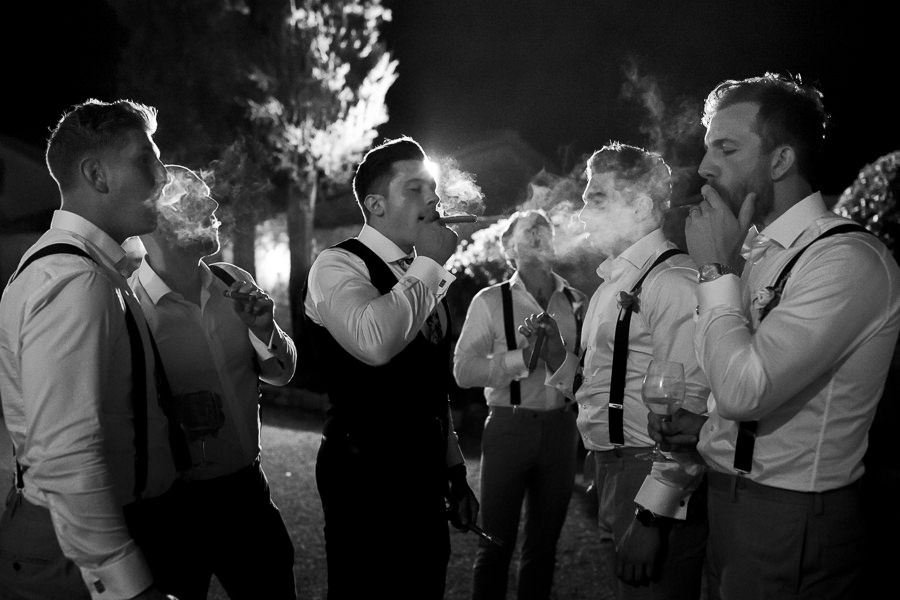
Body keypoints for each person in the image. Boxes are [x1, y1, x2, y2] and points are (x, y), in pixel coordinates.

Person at [651, 72, 900, 599]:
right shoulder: (758, 250)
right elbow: (737, 383)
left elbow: (748, 391)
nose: (704, 166)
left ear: (781, 161)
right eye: (706, 146)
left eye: (726, 148)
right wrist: (705, 422)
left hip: (792, 512)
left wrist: (715, 270)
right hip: (729, 498)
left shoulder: (846, 259)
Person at [0, 99, 191, 599]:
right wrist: (128, 584)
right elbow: (65, 456)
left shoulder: (92, 268)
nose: (162, 177)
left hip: (86, 534)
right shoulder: (75, 279)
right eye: (145, 161)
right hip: (72, 550)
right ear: (96, 175)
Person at [520, 142, 710, 600]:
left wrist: (651, 514)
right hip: (610, 469)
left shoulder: (673, 283)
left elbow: (690, 409)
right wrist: (556, 362)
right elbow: (604, 387)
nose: (582, 214)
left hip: (648, 470)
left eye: (596, 199)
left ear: (641, 205)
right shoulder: (611, 286)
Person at [303, 136, 479, 599]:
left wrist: (455, 471)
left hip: (422, 472)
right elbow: (374, 342)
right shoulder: (337, 264)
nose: (434, 200)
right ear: (376, 204)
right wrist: (429, 266)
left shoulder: (421, 273)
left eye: (433, 189)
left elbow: (429, 386)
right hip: (364, 473)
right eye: (416, 189)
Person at [127, 164, 298, 599]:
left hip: (247, 494)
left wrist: (265, 331)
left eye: (208, 195)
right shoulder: (130, 308)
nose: (213, 205)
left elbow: (282, 373)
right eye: (192, 199)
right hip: (173, 507)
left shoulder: (232, 281)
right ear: (153, 218)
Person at [453, 209, 586, 600]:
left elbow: (588, 376)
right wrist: (520, 358)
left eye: (544, 229)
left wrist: (556, 359)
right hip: (509, 427)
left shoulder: (577, 302)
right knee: (494, 544)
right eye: (529, 230)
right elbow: (463, 371)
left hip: (562, 431)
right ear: (508, 247)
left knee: (543, 550)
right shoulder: (490, 301)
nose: (539, 234)